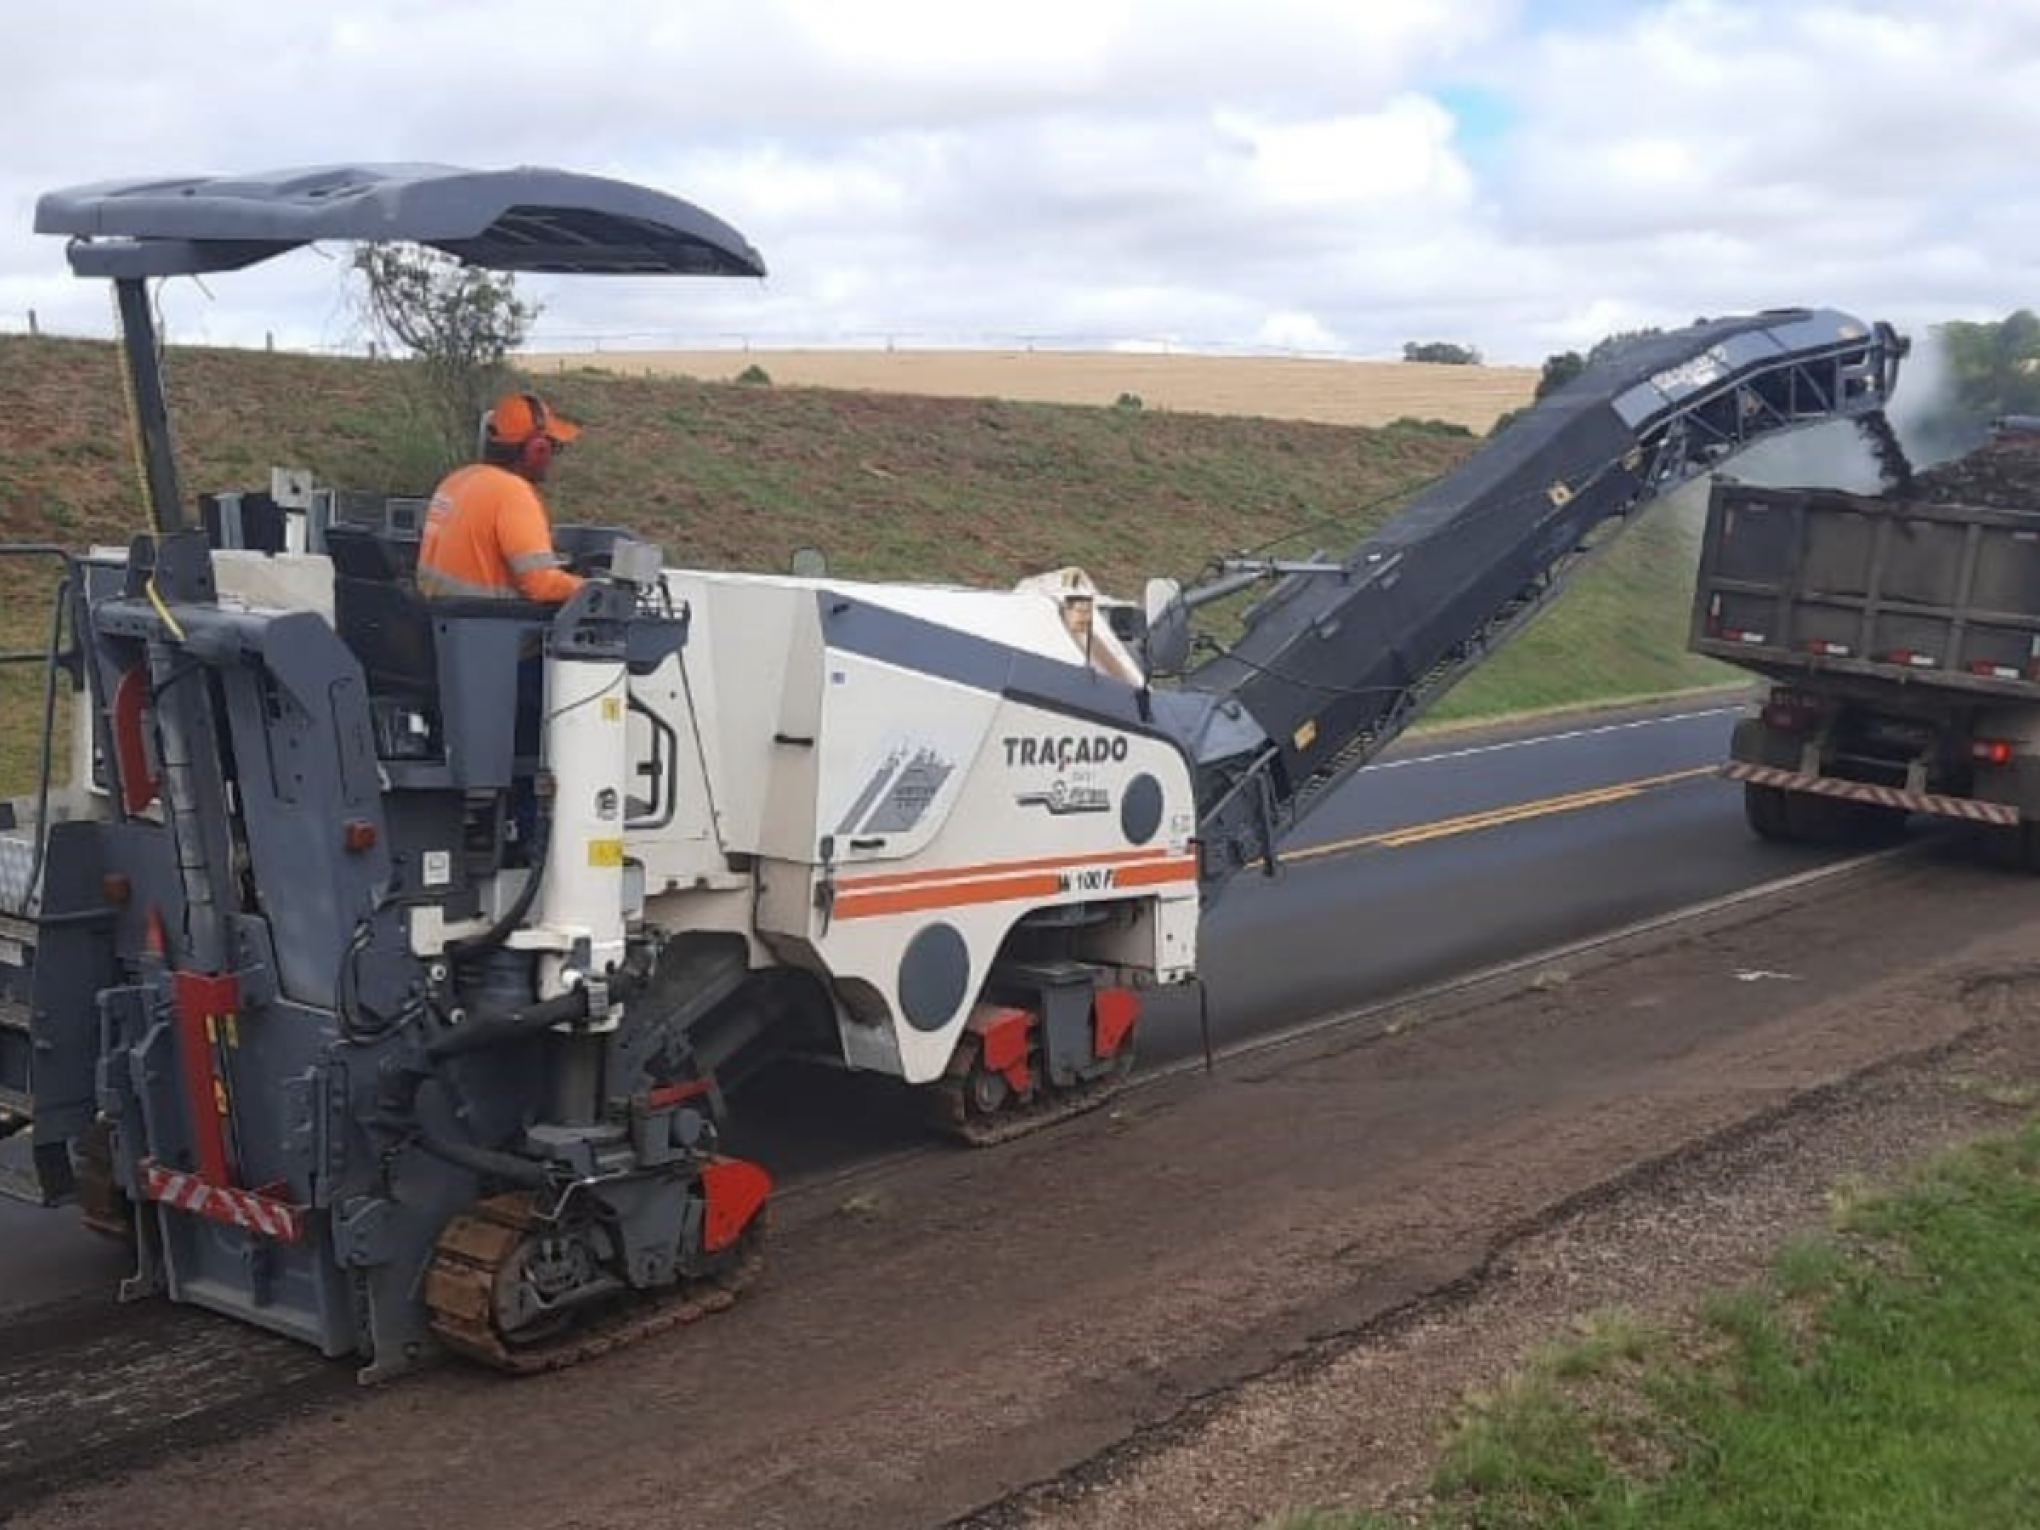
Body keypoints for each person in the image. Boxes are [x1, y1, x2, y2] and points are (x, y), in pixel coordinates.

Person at [416, 390, 586, 603]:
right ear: (537, 450)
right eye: (554, 447)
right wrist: (596, 587)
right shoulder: (513, 493)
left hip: (442, 620)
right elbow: (543, 586)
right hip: (491, 627)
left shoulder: (456, 480)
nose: (552, 457)